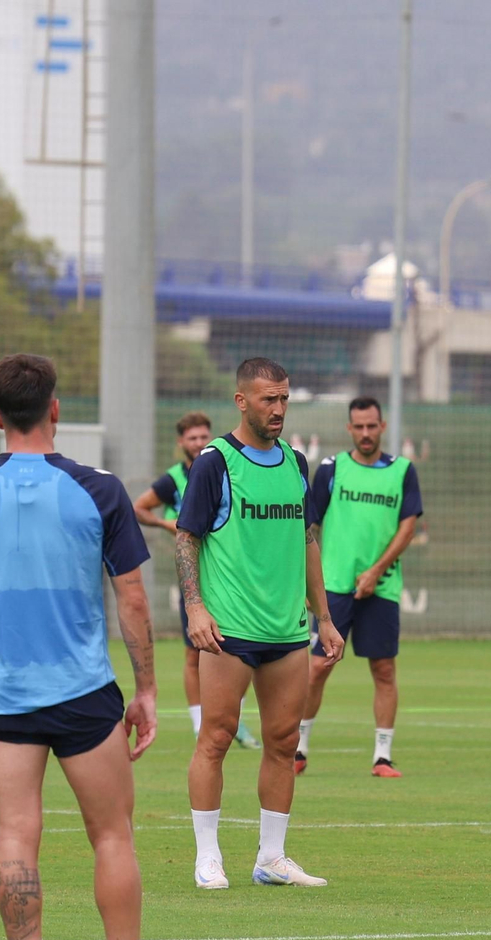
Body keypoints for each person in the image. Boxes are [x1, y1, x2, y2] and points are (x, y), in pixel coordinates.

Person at [0, 354, 192, 940]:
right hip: (84, 694)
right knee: (112, 834)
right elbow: (131, 597)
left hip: (6, 696)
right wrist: (148, 689)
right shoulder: (99, 488)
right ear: (56, 409)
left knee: (16, 834)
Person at [175, 357, 344, 890]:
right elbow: (187, 538)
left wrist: (325, 617)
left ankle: (272, 858)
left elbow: (308, 540)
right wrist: (195, 607)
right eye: (269, 399)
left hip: (288, 631)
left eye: (285, 398)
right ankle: (208, 857)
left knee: (282, 741)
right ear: (241, 401)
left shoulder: (297, 462)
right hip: (229, 631)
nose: (278, 409)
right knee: (217, 737)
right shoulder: (215, 462)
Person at [297, 396, 423, 778]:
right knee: (317, 668)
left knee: (383, 669)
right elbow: (307, 526)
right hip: (333, 587)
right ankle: (298, 749)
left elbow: (408, 526)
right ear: (349, 429)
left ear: (382, 427)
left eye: (372, 426)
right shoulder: (332, 469)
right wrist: (308, 584)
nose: (366, 433)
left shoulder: (402, 470)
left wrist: (375, 571)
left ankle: (382, 757)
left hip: (381, 588)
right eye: (359, 427)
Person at [132, 411, 259, 750]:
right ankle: (199, 723)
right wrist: (168, 524)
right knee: (195, 655)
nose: (200, 442)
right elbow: (139, 508)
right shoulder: (174, 479)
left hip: (233, 576)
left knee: (245, 650)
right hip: (196, 579)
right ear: (181, 443)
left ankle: (236, 720)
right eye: (192, 438)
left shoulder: (223, 466)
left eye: (204, 436)